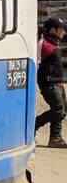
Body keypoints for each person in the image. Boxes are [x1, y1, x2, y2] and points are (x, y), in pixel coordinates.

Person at [36, 17, 67, 148]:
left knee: (62, 111)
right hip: (49, 84)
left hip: (58, 83)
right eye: (61, 29)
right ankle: (34, 124)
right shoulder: (43, 44)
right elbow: (37, 62)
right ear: (53, 30)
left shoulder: (53, 43)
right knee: (58, 110)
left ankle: (55, 137)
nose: (64, 32)